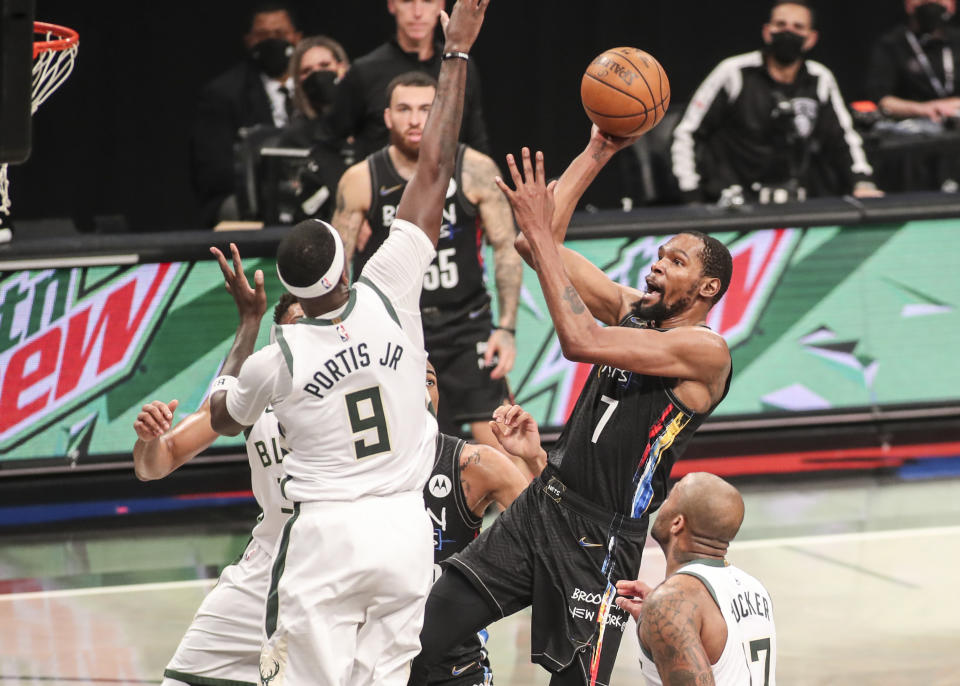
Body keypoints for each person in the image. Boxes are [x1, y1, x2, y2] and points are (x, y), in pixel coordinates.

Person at [206, 2, 490, 683]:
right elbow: (432, 170)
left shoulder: (279, 359)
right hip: (404, 529)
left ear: (293, 293)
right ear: (350, 254)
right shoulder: (389, 288)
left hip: (327, 538)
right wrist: (455, 55)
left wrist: (243, 337)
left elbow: (221, 417)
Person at [409, 128, 734, 686]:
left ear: (706, 289)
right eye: (658, 256)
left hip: (601, 539)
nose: (656, 266)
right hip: (543, 505)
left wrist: (537, 221)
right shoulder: (635, 310)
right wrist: (599, 150)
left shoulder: (704, 352)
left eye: (675, 262)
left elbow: (579, 339)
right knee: (424, 636)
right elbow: (534, 245)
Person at [332, 71, 521, 452]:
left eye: (426, 109)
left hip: (465, 326)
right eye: (404, 109)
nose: (416, 119)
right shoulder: (360, 180)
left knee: (505, 447)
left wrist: (506, 328)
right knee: (413, 451)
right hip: (393, 331)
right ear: (387, 117)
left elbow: (505, 248)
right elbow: (339, 267)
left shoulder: (476, 169)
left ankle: (524, 515)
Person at [132, 293, 302, 686]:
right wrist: (150, 439)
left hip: (332, 560)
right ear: (278, 340)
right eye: (295, 328)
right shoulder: (258, 394)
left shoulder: (347, 390)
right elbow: (157, 463)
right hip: (265, 565)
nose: (304, 337)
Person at [671, 0, 881, 204]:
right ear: (767, 31)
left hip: (797, 202)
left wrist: (862, 181)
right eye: (781, 24)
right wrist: (691, 195)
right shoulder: (734, 72)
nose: (788, 31)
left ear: (811, 38)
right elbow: (687, 131)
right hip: (734, 204)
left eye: (798, 27)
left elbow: (843, 137)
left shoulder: (819, 78)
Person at [423, 360, 536, 685]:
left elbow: (548, 533)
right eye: (409, 381)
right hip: (372, 659)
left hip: (455, 667)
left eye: (430, 381)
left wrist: (533, 458)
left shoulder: (474, 464)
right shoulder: (353, 468)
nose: (422, 394)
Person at [615, 473, 777, 686]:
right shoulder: (755, 587)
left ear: (677, 523)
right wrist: (660, 622)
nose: (663, 502)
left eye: (671, 496)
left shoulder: (670, 604)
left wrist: (664, 610)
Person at [327, 0, 490, 160]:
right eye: (407, 1)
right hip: (381, 184)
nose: (417, 12)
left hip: (447, 183)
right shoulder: (364, 72)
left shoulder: (460, 65)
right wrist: (350, 183)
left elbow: (476, 142)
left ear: (441, 5)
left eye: (427, 1)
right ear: (391, 5)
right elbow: (327, 142)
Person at [191, 3, 302, 226]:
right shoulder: (223, 94)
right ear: (249, 41)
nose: (272, 40)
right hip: (256, 203)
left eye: (279, 33)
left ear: (297, 37)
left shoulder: (315, 88)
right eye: (263, 35)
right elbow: (214, 174)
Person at [274, 36, 351, 224]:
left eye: (325, 65)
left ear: (343, 69)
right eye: (307, 71)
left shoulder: (368, 126)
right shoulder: (293, 139)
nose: (318, 75)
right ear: (298, 81)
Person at [867, 0, 960, 121]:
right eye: (923, 0)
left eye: (938, 0)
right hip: (910, 129)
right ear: (908, 4)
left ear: (952, 5)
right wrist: (923, 109)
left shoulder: (957, 41)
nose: (931, 3)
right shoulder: (892, 44)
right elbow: (881, 99)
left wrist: (950, 105)